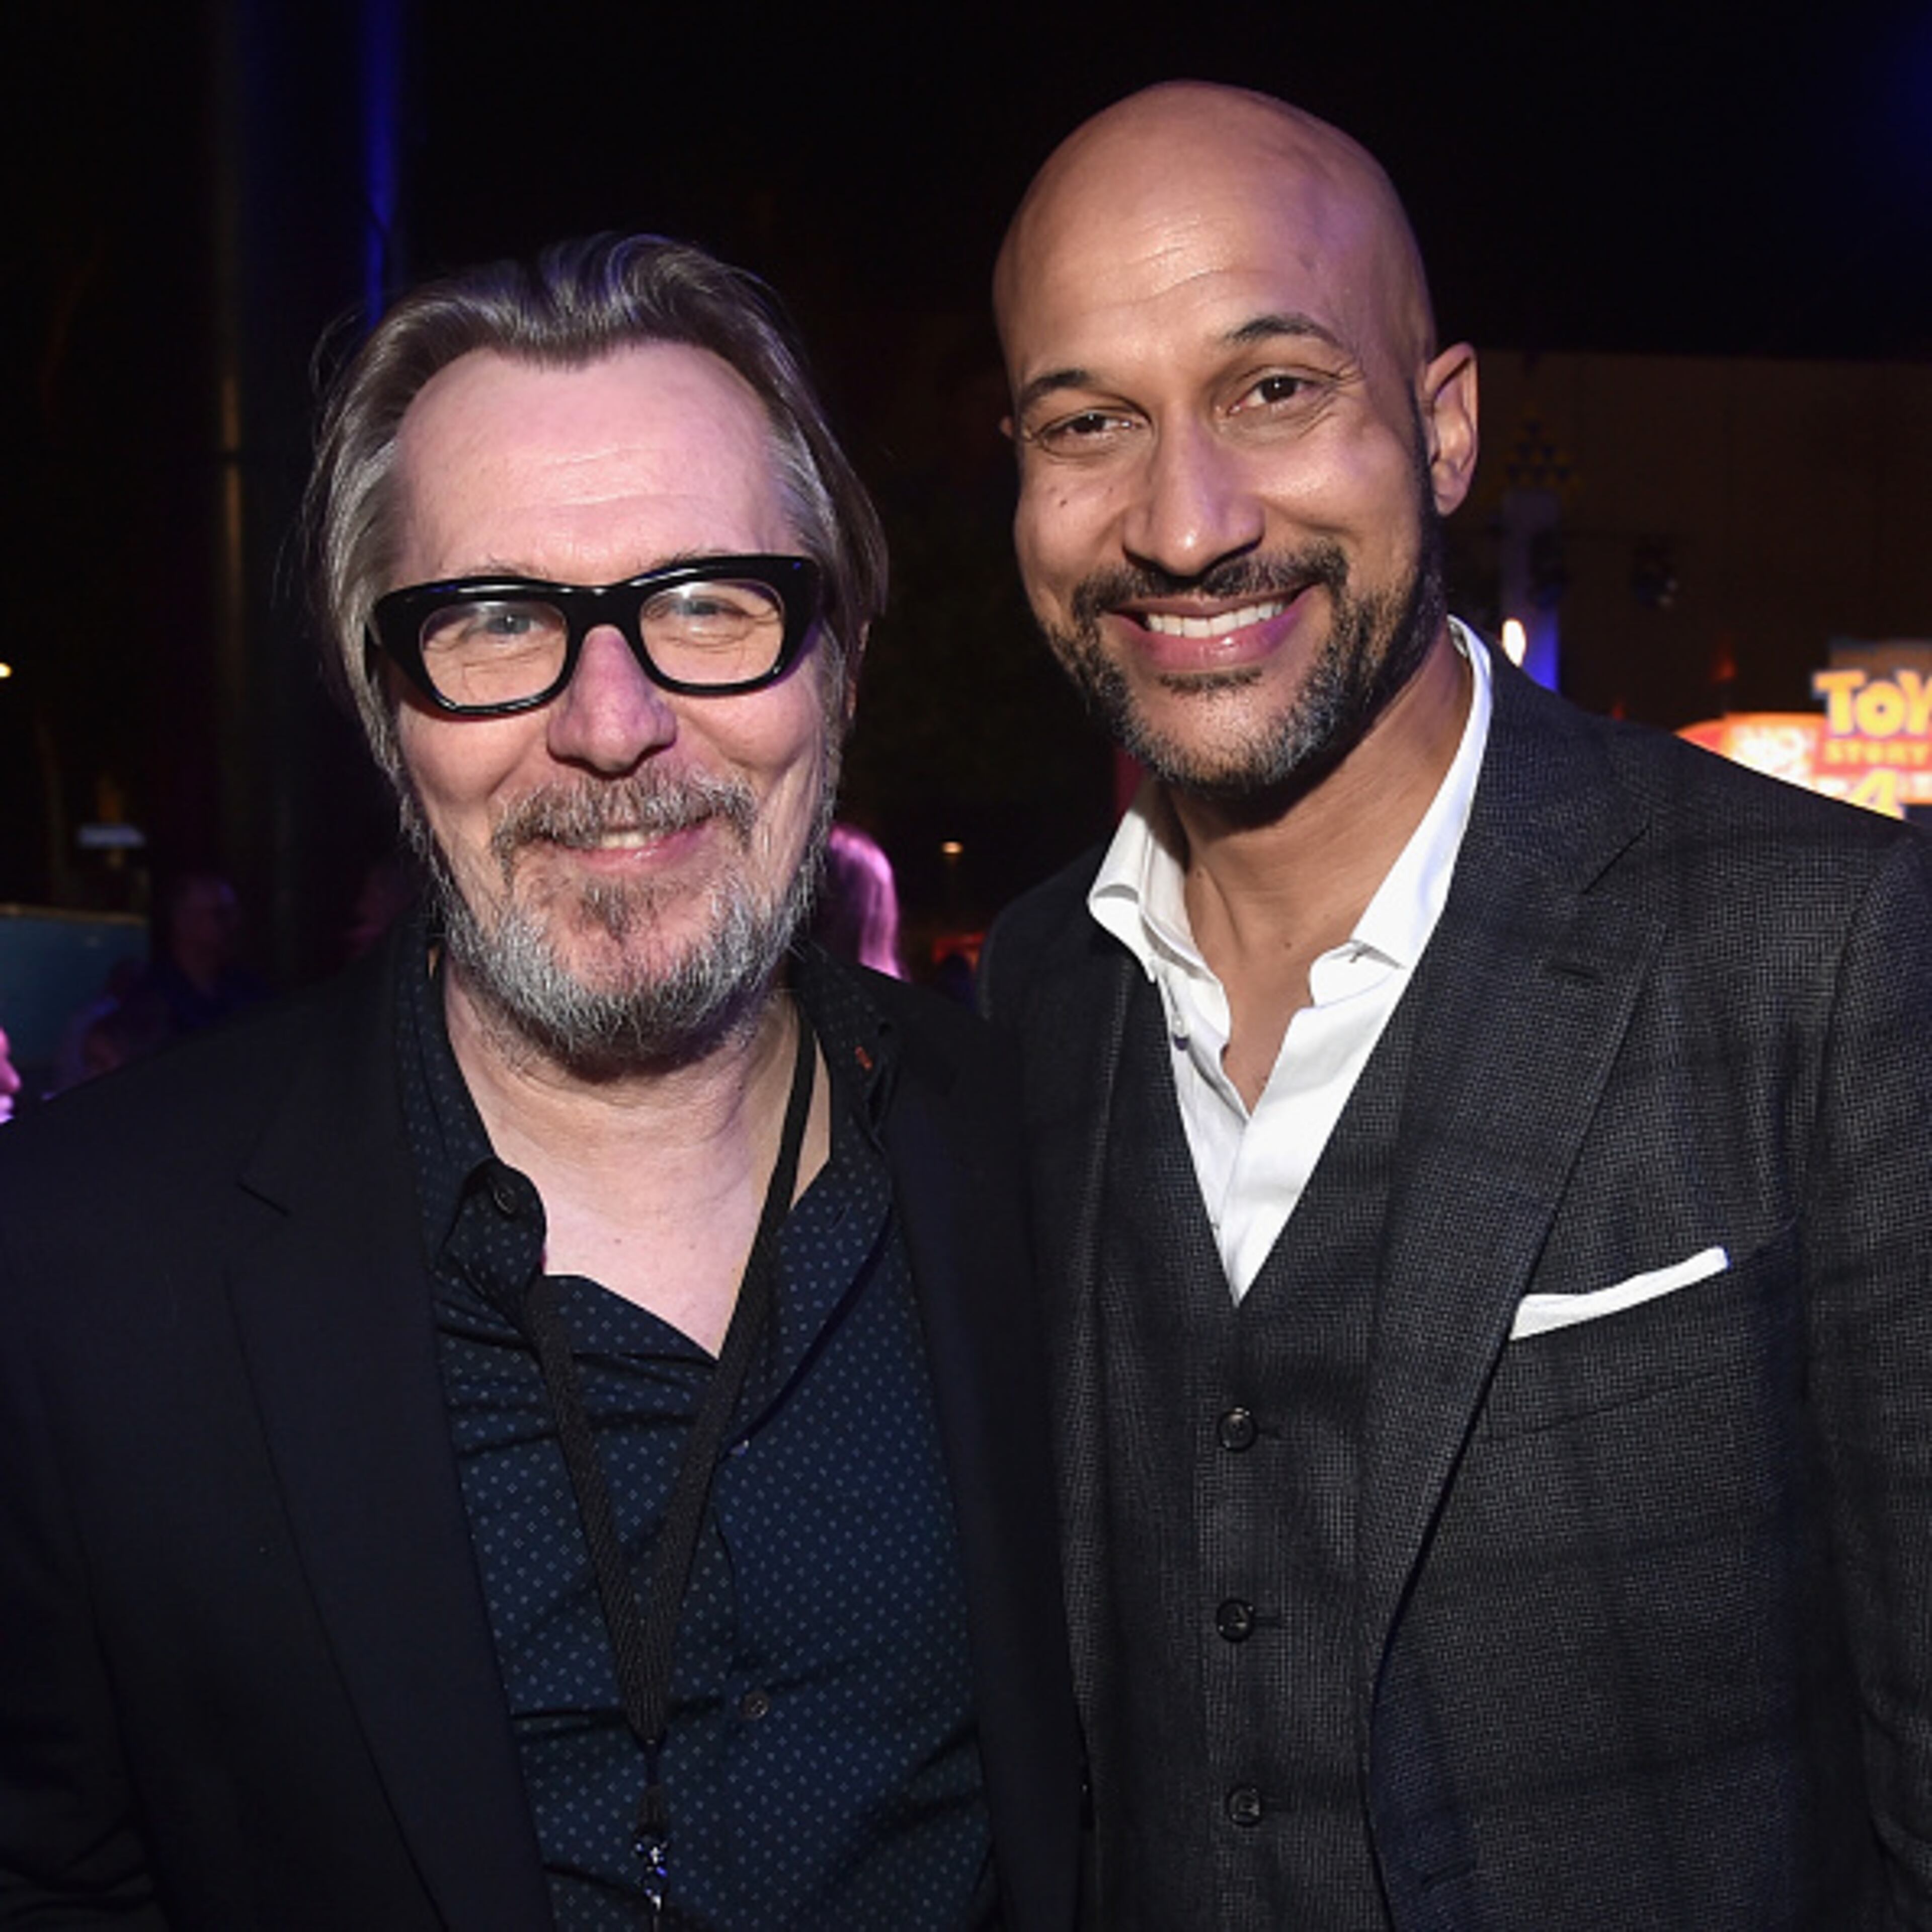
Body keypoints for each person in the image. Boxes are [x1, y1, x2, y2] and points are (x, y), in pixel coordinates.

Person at [0, 234, 1079, 1929]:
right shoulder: (78, 1273)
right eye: (496, 621)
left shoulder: (1065, 1164)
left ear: (842, 663)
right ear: (385, 705)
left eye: (711, 603)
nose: (613, 719)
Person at [977, 80, 1932, 1930]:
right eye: (1089, 421)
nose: (1185, 523)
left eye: (1276, 388)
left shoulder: (1824, 952)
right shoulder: (1030, 998)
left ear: (1446, 425)